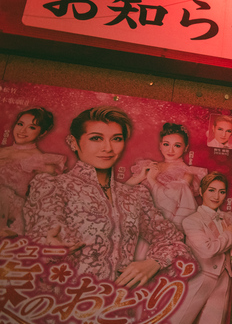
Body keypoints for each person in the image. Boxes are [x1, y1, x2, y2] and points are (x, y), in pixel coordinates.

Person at [23, 106, 193, 285]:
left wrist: (153, 263)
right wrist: (47, 244)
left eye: (116, 139)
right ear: (73, 142)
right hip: (64, 303)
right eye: (96, 138)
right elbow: (43, 228)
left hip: (118, 305)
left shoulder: (134, 195)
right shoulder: (52, 186)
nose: (108, 148)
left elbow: (174, 242)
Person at [140, 172, 232, 324]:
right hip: (199, 278)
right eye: (211, 190)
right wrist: (229, 235)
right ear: (201, 192)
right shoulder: (192, 220)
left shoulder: (228, 219)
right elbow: (207, 249)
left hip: (223, 279)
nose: (216, 195)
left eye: (221, 191)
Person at [127, 123, 207, 230]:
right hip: (134, 219)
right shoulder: (149, 166)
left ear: (186, 148)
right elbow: (122, 190)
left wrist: (152, 180)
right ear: (160, 145)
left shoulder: (187, 173)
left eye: (177, 145)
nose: (170, 150)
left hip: (161, 226)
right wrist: (141, 176)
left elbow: (171, 203)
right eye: (166, 144)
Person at [0, 107, 66, 237]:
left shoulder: (38, 159)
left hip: (10, 210)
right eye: (20, 124)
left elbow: (47, 195)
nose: (22, 131)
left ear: (42, 132)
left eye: (32, 127)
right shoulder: (3, 151)